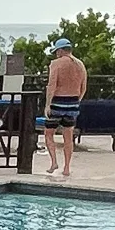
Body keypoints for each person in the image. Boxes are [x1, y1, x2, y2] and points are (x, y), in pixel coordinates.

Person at [43, 38, 87, 176]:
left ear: (61, 51)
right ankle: (67, 167)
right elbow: (83, 87)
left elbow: (52, 85)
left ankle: (54, 162)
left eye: (57, 51)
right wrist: (77, 100)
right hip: (73, 102)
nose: (56, 54)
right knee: (68, 137)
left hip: (57, 101)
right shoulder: (80, 65)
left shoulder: (56, 64)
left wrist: (48, 104)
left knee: (48, 134)